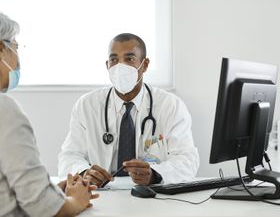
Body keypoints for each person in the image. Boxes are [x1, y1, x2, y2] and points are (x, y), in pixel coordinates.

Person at [0, 8, 98, 216]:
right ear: (0, 48)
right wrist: (77, 199)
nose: (18, 59)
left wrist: (50, 191)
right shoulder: (0, 108)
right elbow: (45, 210)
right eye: (15, 47)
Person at [58, 33, 199, 186]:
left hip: (152, 195)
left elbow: (187, 159)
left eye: (129, 59)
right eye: (114, 60)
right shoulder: (87, 105)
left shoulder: (170, 106)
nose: (120, 67)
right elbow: (70, 155)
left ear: (144, 65)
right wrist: (85, 173)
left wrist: (155, 175)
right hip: (102, 195)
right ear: (107, 66)